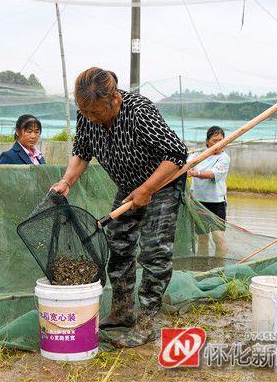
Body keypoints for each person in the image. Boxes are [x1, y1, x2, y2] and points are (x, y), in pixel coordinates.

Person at [50, 67, 187, 347]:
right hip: (128, 188)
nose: (91, 118)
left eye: (96, 113)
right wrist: (67, 181)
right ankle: (122, 311)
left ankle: (146, 323)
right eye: (86, 113)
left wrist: (147, 189)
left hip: (161, 185)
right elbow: (82, 151)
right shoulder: (87, 113)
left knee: (154, 251)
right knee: (119, 245)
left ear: (114, 99)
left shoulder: (139, 111)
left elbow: (177, 153)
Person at [188, 126, 230, 258]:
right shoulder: (197, 156)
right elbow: (184, 165)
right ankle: (203, 269)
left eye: (221, 140)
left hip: (217, 203)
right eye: (214, 140)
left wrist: (194, 173)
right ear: (207, 142)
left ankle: (219, 268)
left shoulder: (224, 158)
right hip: (199, 202)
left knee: (218, 237)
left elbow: (213, 174)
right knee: (202, 239)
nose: (218, 143)